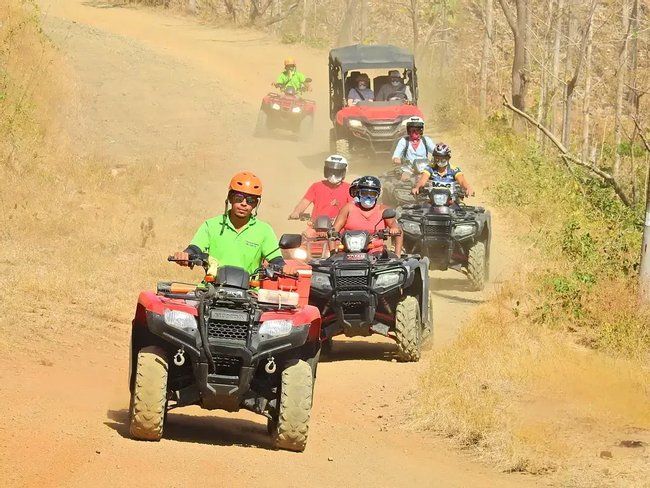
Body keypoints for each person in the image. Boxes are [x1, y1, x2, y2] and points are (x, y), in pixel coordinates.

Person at [173, 172, 292, 275]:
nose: (244, 204)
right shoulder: (211, 225)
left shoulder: (264, 230)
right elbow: (194, 248)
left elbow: (276, 260)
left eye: (250, 200)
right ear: (230, 198)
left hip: (250, 293)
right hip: (211, 289)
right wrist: (185, 255)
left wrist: (285, 267)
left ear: (256, 204)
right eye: (239, 198)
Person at [332, 176, 403, 256]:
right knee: (332, 265)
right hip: (347, 253)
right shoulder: (348, 208)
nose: (368, 197)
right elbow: (333, 231)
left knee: (395, 265)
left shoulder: (383, 210)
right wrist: (332, 253)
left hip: (376, 252)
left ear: (377, 195)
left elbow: (397, 228)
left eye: (372, 194)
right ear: (358, 193)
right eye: (364, 193)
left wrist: (394, 229)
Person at [289, 155, 352, 221]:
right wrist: (296, 212)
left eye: (337, 172)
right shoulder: (316, 186)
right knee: (305, 232)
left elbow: (353, 208)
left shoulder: (349, 188)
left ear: (344, 172)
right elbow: (304, 202)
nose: (333, 175)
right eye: (331, 171)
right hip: (315, 226)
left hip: (339, 227)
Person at [391, 116, 435, 181]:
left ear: (421, 130)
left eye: (417, 129)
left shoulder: (426, 140)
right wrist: (396, 159)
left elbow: (436, 151)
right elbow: (396, 156)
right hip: (408, 169)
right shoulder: (403, 141)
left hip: (424, 169)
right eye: (412, 129)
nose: (415, 132)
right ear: (408, 130)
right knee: (405, 178)